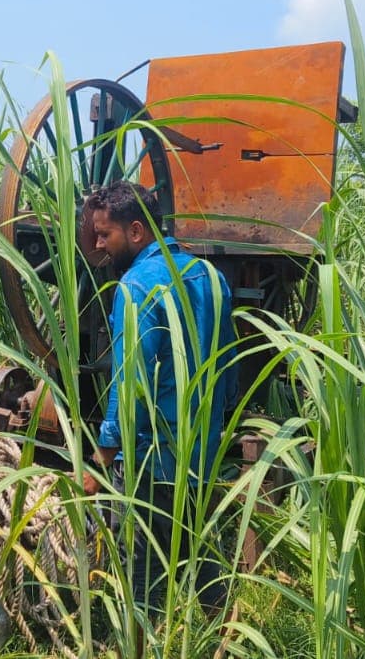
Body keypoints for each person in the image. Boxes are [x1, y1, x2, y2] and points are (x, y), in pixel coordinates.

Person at [79, 181, 239, 625]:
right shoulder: (211, 277)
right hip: (201, 450)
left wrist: (103, 453)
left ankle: (143, 641)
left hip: (154, 456)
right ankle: (220, 636)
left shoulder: (134, 288)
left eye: (103, 234)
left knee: (145, 564)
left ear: (135, 232)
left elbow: (129, 382)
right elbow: (228, 369)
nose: (96, 244)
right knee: (200, 550)